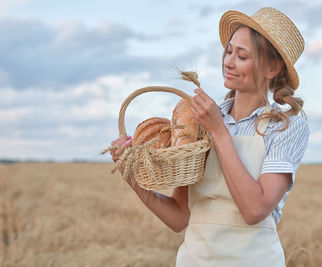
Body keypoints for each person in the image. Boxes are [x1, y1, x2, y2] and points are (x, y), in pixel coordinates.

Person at [110, 7, 310, 267]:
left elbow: (255, 210)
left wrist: (218, 131)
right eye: (229, 51)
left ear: (271, 68)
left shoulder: (287, 128)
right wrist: (132, 175)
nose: (228, 62)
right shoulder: (198, 123)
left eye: (242, 56)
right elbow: (179, 217)